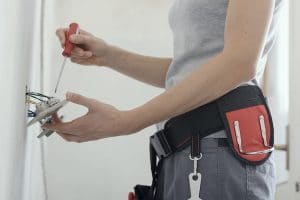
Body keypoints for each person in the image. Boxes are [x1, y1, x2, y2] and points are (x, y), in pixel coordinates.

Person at [45, 0, 283, 199]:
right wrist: (109, 55)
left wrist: (126, 121)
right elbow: (187, 71)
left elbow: (239, 63)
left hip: (219, 150)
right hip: (186, 151)